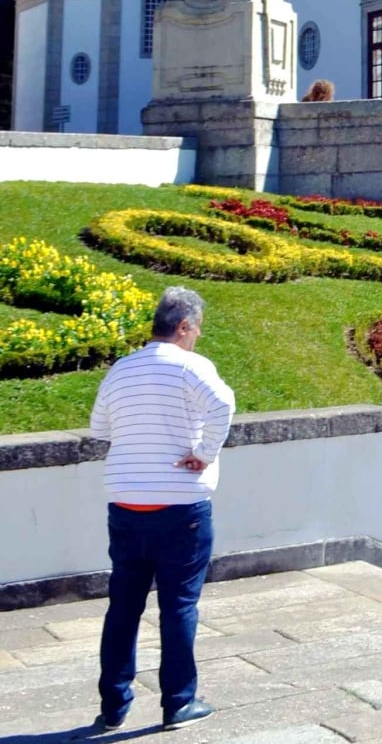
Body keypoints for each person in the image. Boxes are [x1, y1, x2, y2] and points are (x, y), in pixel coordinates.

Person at [90, 287, 235, 733]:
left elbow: (99, 429)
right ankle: (178, 703)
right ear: (184, 326)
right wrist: (204, 454)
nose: (198, 337)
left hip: (126, 505)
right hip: (181, 507)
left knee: (123, 607)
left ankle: (113, 707)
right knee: (179, 606)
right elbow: (223, 405)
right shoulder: (191, 365)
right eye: (197, 329)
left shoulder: (121, 369)